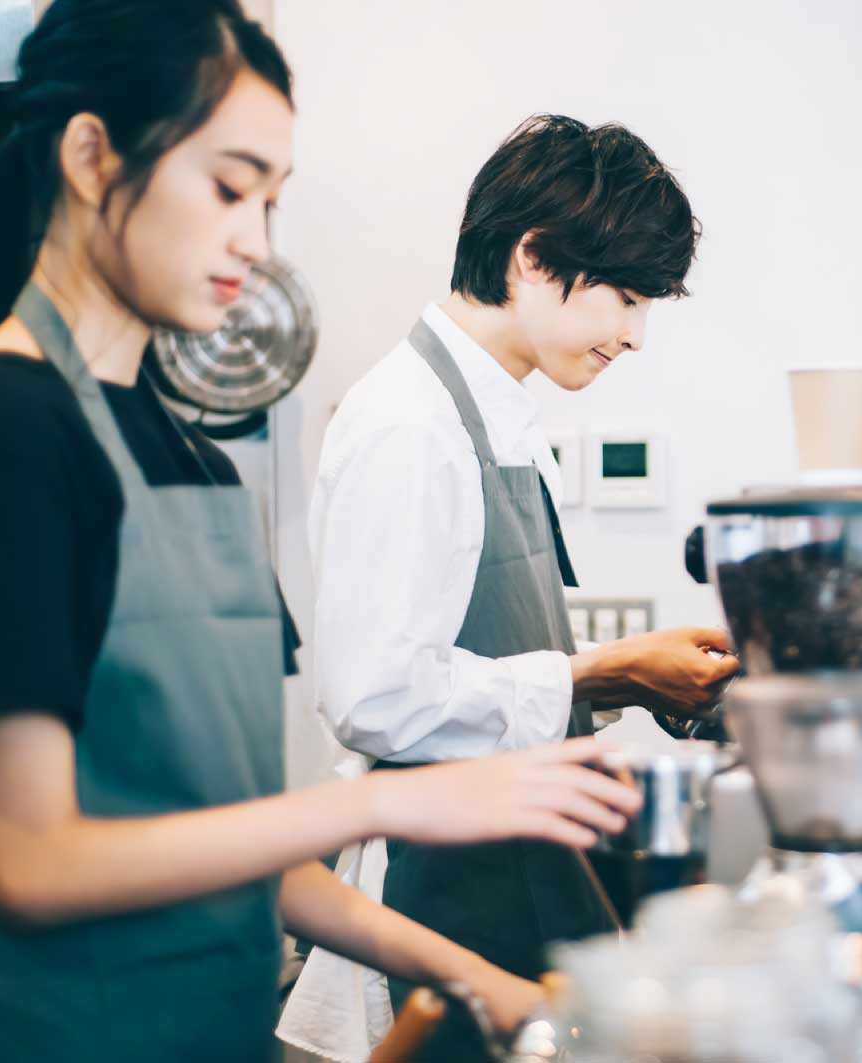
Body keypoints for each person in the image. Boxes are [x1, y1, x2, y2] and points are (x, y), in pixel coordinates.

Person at [0, 4, 639, 1061]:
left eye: (270, 200)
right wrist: (431, 798)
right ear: (90, 156)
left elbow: (233, 836)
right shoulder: (5, 424)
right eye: (227, 188)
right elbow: (34, 861)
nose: (256, 243)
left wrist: (473, 978)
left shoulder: (190, 459)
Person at [306, 114, 738, 1037]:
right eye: (626, 296)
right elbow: (376, 695)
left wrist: (625, 673)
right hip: (438, 890)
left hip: (508, 862)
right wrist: (603, 671)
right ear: (535, 260)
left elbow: (477, 652)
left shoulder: (496, 416)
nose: (636, 334)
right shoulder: (409, 428)